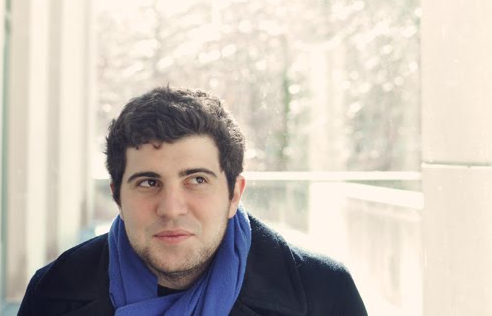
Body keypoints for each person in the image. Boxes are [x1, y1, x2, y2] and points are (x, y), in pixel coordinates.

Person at [18, 86, 368, 316]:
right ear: (117, 196)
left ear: (234, 194)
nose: (171, 208)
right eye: (148, 182)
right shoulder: (53, 291)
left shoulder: (324, 293)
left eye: (197, 180)